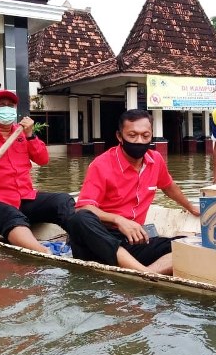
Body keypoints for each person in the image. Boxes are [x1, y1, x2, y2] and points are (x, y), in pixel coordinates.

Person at [67, 109, 200, 275]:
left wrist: (191, 207)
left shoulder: (155, 160)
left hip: (134, 239)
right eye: (132, 135)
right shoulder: (101, 164)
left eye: (145, 136)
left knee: (195, 244)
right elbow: (83, 207)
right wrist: (119, 220)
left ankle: (145, 273)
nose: (139, 141)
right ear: (119, 136)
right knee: (79, 219)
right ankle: (143, 272)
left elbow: (168, 186)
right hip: (99, 240)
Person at [0, 90, 75, 254]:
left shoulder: (22, 135)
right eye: (2, 106)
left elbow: (43, 160)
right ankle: (44, 253)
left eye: (10, 106)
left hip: (24, 198)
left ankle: (79, 241)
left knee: (63, 200)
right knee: (11, 215)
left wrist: (30, 135)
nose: (7, 109)